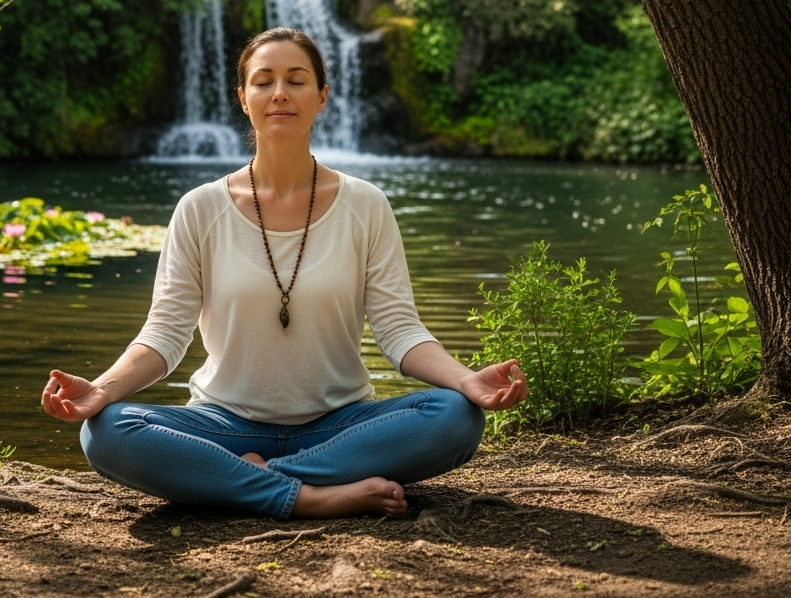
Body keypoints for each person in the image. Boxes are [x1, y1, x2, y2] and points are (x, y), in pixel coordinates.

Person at [42, 26, 528, 519]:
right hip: (223, 425)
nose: (279, 93)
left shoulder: (366, 205)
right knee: (107, 430)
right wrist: (102, 389)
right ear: (243, 98)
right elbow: (164, 335)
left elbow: (399, 330)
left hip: (341, 425)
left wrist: (466, 379)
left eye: (296, 81)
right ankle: (315, 495)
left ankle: (251, 478)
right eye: (263, 81)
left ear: (322, 97)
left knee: (455, 416)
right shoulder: (200, 208)